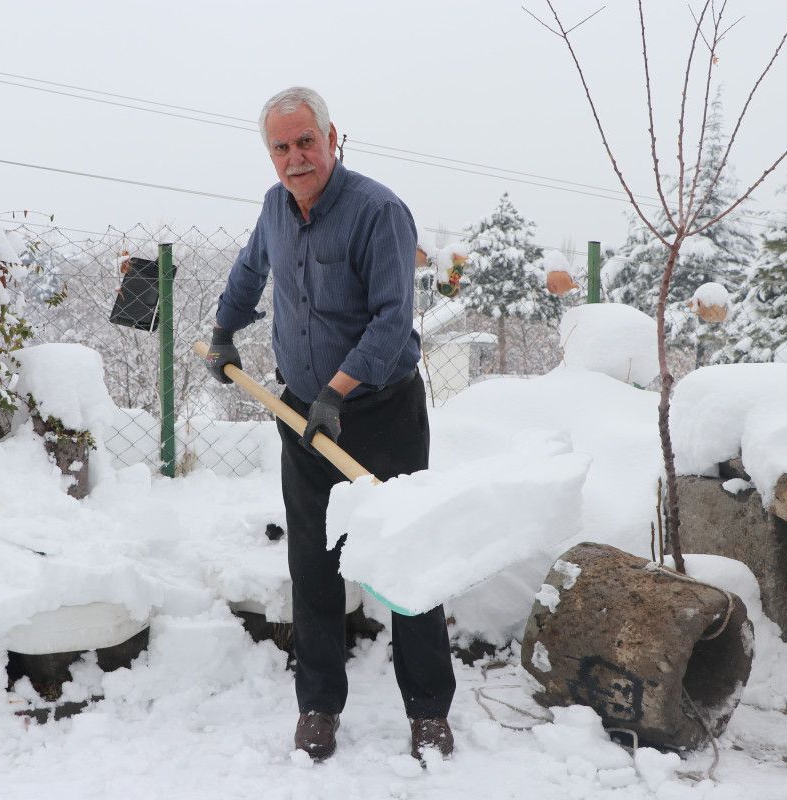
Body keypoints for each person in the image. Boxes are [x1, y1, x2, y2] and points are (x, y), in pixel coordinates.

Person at [206, 86, 456, 763]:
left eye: (305, 142)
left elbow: (390, 320)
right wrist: (225, 330)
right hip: (303, 413)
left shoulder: (379, 212)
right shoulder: (274, 208)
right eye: (280, 147)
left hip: (382, 413)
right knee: (312, 563)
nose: (295, 158)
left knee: (407, 560)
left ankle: (429, 711)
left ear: (332, 138)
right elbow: (249, 271)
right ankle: (317, 705)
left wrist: (338, 392)